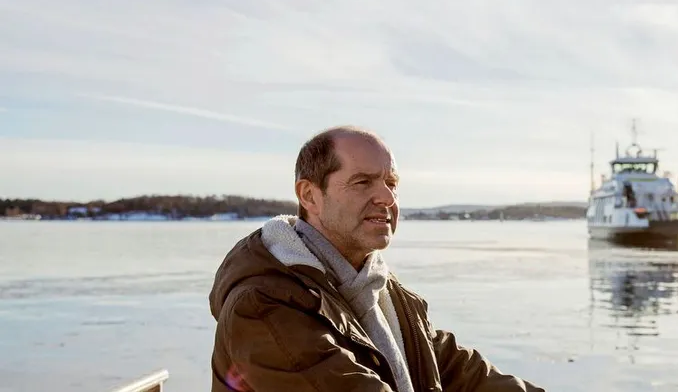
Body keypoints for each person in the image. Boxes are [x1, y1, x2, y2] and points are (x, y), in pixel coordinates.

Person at [209, 126, 545, 392]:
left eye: (391, 183)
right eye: (362, 182)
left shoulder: (382, 292)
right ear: (310, 196)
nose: (386, 197)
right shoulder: (263, 305)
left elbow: (460, 372)